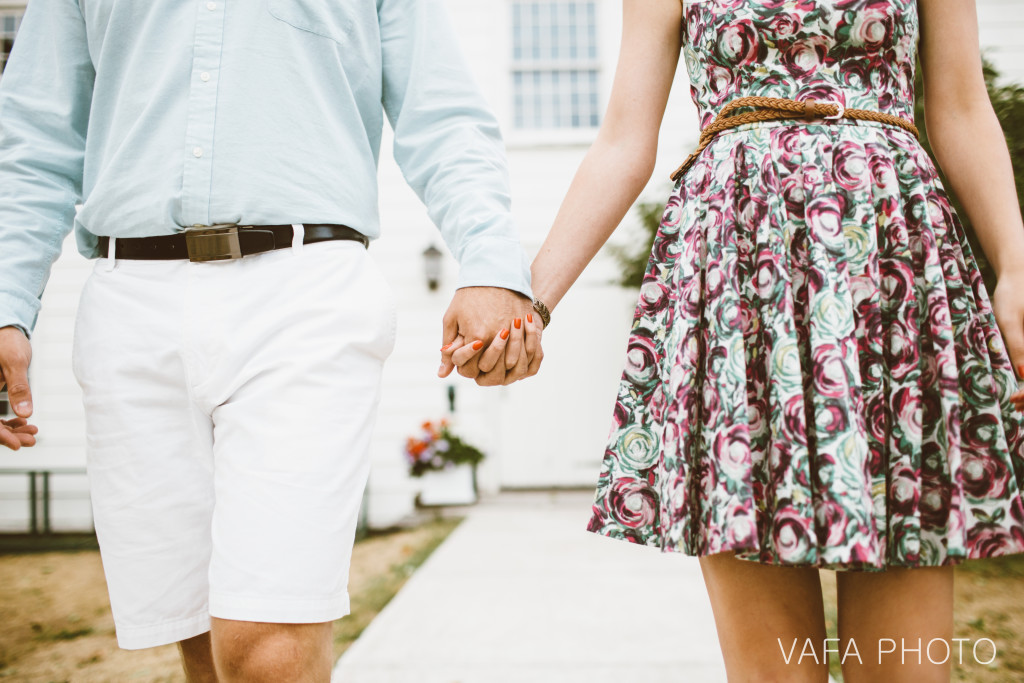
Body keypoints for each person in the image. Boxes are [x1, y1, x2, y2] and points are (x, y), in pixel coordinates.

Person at [444, 0, 1024, 680]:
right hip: (738, 286)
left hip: (887, 274)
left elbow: (959, 105)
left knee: (902, 670)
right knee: (773, 671)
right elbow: (624, 144)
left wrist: (1014, 264)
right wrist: (530, 301)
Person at [0, 0, 539, 680]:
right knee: (201, 639)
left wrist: (490, 260)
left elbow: (441, 115)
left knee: (266, 647)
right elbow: (36, 133)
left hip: (304, 291)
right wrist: (7, 299)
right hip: (128, 301)